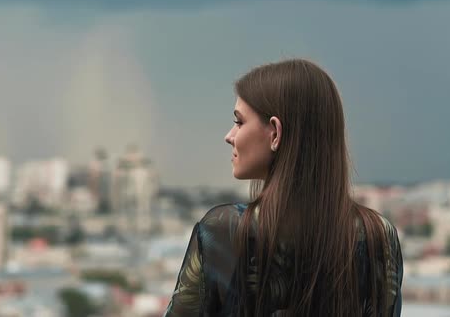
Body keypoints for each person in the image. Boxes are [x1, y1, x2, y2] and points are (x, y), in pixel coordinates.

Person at [164, 59, 403, 316]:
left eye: (239, 122)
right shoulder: (378, 235)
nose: (229, 136)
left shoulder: (223, 230)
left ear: (276, 133)